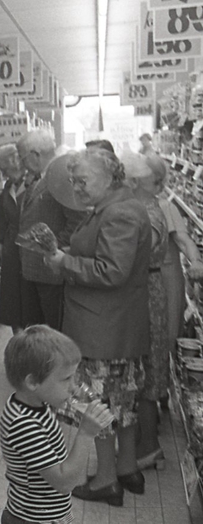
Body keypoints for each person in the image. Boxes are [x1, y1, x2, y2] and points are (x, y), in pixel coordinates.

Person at [45, 148, 152, 505]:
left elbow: (112, 271)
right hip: (116, 326)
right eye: (73, 181)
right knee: (122, 402)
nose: (76, 188)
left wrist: (65, 262)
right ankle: (127, 469)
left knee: (98, 404)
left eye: (82, 181)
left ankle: (106, 480)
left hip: (102, 329)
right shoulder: (115, 206)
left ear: (109, 178)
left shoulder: (118, 213)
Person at [131, 154, 203, 470]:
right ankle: (152, 413)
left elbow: (184, 240)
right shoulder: (140, 206)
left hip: (163, 278)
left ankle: (150, 421)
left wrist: (197, 262)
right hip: (154, 279)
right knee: (154, 351)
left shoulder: (162, 207)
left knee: (157, 347)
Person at [1, 326, 116, 521]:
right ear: (32, 382)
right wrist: (86, 434)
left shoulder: (35, 403)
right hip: (34, 518)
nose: (73, 387)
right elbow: (64, 483)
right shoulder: (24, 425)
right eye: (66, 379)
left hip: (46, 514)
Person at [16, 131, 81, 331]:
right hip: (36, 272)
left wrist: (52, 250)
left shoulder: (60, 177)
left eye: (22, 158)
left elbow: (76, 223)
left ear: (35, 154)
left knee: (53, 332)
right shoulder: (40, 178)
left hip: (51, 274)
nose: (21, 164)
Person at [0, 143, 27, 332]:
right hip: (11, 249)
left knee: (27, 298)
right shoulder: (8, 187)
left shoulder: (33, 184)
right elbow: (2, 218)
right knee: (12, 299)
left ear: (15, 161)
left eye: (4, 168)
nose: (3, 173)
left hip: (29, 246)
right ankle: (17, 338)